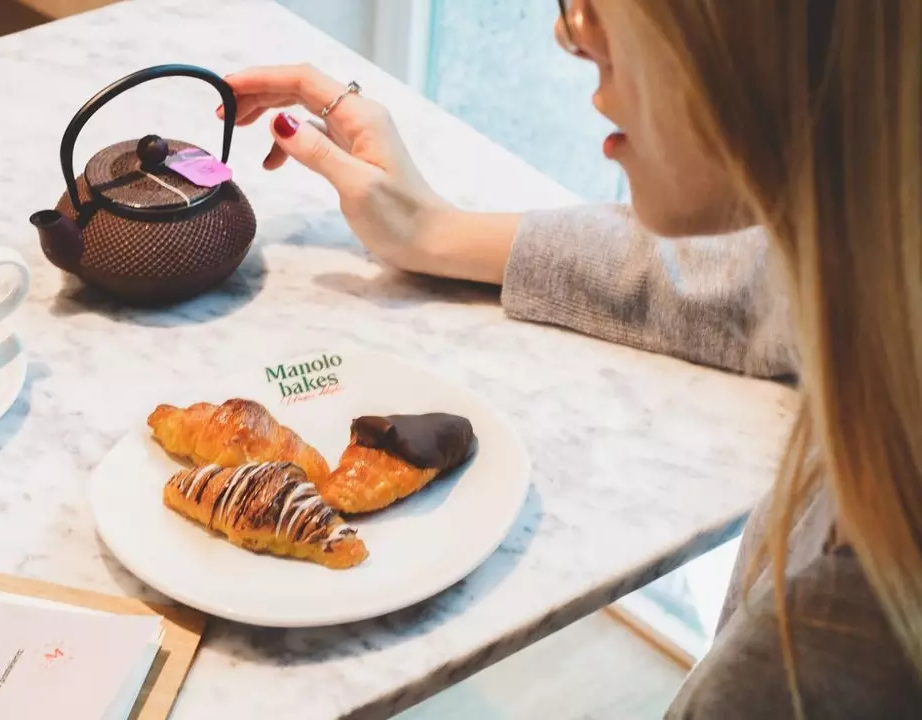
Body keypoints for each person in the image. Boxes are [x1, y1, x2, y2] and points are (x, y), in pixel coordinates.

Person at [220, 1, 922, 717]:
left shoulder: (842, 628)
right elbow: (746, 277)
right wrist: (431, 232)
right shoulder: (881, 272)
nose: (569, 31)